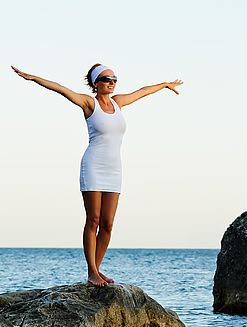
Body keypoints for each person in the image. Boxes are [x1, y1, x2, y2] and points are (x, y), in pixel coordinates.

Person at [11, 64, 184, 286]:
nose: (111, 82)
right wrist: (32, 77)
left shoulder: (118, 102)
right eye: (105, 79)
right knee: (92, 220)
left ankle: (98, 269)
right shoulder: (89, 103)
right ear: (95, 83)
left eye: (114, 78)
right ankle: (91, 271)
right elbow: (61, 89)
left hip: (114, 169)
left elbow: (143, 91)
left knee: (108, 223)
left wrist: (165, 85)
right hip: (93, 166)